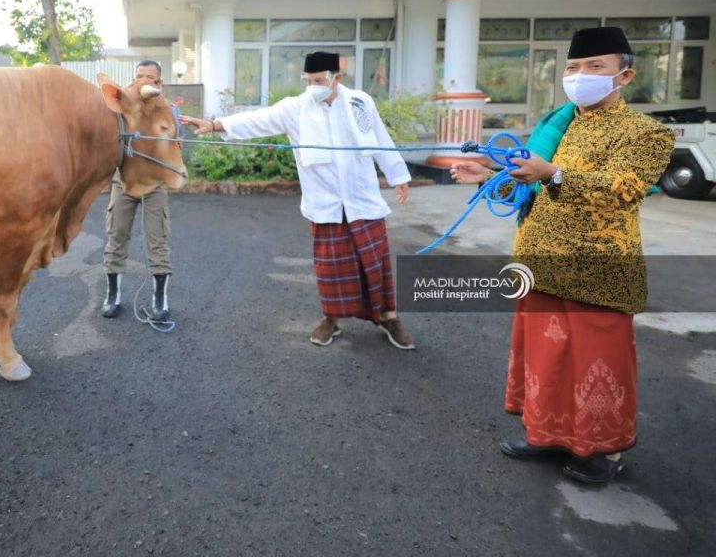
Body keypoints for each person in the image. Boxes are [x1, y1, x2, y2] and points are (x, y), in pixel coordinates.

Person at [449, 25, 673, 485]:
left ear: (624, 76)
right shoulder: (559, 122)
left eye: (595, 66)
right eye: (573, 67)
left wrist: (551, 173)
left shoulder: (646, 133)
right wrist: (489, 175)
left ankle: (603, 452)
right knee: (545, 356)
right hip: (539, 260)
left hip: (599, 269)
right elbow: (531, 179)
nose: (580, 75)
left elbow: (623, 191)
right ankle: (545, 433)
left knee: (598, 362)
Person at [182, 51, 415, 349]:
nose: (312, 87)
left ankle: (389, 317)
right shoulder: (296, 108)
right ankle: (331, 318)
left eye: (318, 80)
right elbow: (258, 119)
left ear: (336, 78)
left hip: (362, 199)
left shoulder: (360, 101)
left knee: (375, 263)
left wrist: (399, 175)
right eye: (308, 81)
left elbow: (380, 139)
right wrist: (215, 125)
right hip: (325, 203)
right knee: (331, 269)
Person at [102, 59, 175, 322]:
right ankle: (113, 296)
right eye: (138, 77)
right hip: (123, 182)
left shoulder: (168, 111)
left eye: (149, 78)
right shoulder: (120, 108)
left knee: (157, 242)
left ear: (159, 84)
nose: (142, 82)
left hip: (155, 184)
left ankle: (160, 301)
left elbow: (173, 148)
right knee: (115, 238)